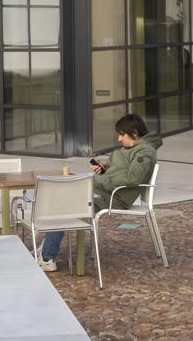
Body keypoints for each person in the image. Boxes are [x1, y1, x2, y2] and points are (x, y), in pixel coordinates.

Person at [38, 113, 160, 272]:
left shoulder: (144, 152)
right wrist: (103, 171)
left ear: (135, 133)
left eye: (122, 134)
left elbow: (132, 178)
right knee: (59, 198)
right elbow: (120, 173)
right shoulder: (133, 149)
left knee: (63, 206)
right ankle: (46, 248)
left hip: (111, 198)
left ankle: (47, 257)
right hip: (103, 192)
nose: (119, 139)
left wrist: (99, 180)